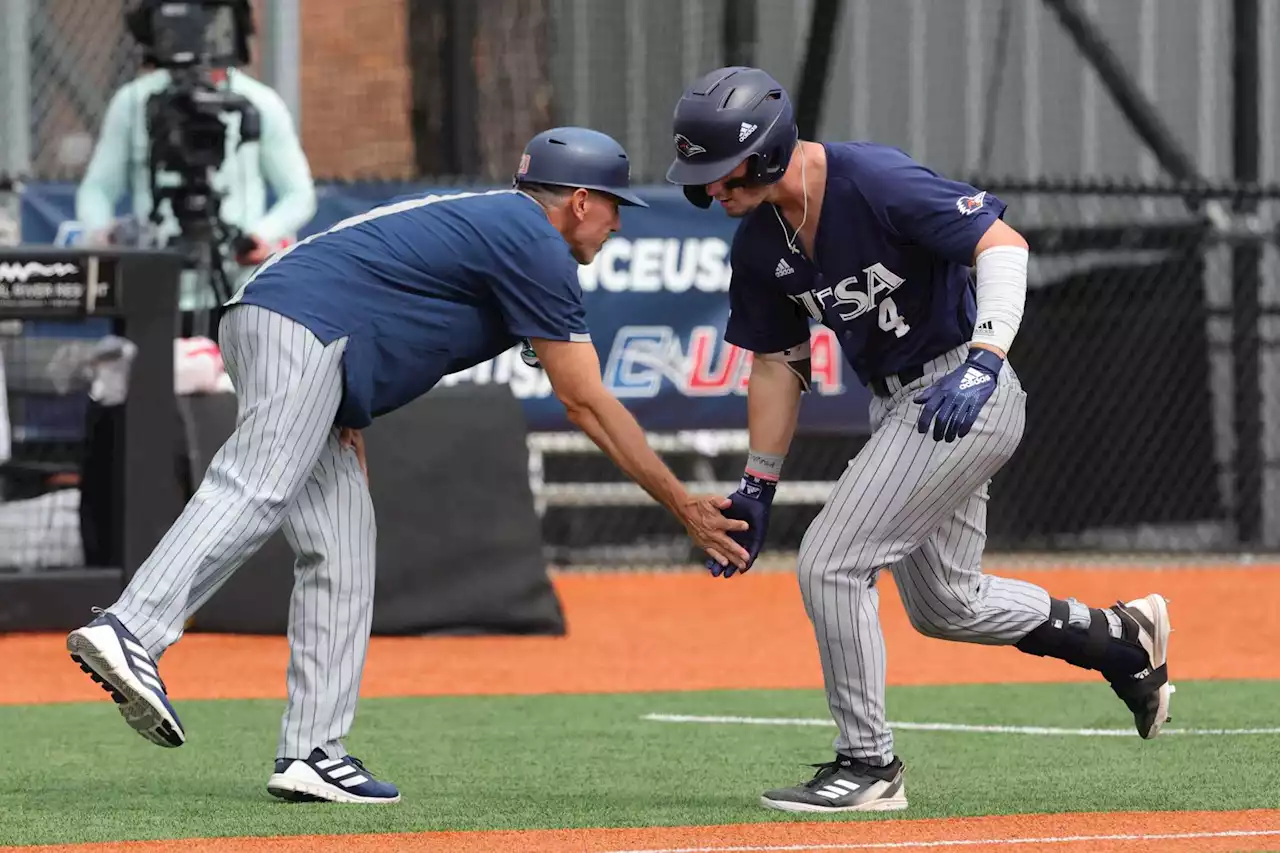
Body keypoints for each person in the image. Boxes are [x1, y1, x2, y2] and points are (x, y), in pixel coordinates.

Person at [66, 126, 751, 805]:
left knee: (341, 547)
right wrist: (682, 504)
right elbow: (586, 402)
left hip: (296, 327)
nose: (616, 225)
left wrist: (342, 402)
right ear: (578, 200)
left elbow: (392, 295)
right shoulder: (536, 242)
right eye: (613, 206)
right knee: (256, 483)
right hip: (300, 322)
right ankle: (132, 627)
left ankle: (313, 750)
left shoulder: (509, 231)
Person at [664, 67, 1172, 814]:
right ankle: (1121, 639)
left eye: (721, 170)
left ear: (768, 151)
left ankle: (870, 765)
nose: (712, 189)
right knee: (946, 603)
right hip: (898, 406)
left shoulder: (871, 179)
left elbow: (1002, 245)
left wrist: (986, 357)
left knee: (831, 562)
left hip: (963, 386)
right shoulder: (757, 244)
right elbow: (777, 362)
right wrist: (759, 480)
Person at [75, 0, 316, 329]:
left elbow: (299, 194)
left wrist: (261, 236)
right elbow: (97, 189)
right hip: (152, 287)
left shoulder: (258, 103)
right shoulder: (133, 103)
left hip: (237, 290)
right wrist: (106, 236)